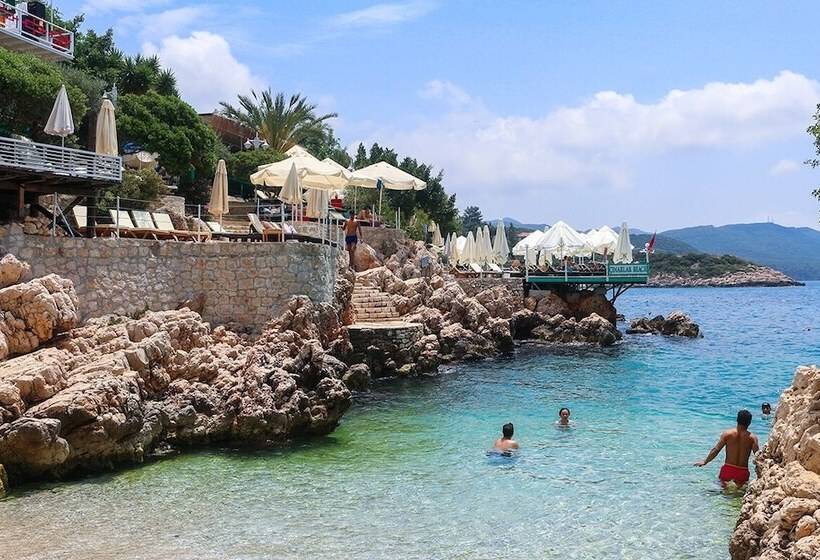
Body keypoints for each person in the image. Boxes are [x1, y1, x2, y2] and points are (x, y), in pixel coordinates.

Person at [694, 409, 760, 486]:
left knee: (723, 492)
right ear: (749, 422)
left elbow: (716, 450)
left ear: (737, 420)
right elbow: (758, 456)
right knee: (740, 492)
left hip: (728, 469)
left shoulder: (727, 434)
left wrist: (705, 461)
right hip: (743, 472)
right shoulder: (752, 438)